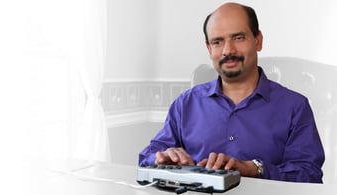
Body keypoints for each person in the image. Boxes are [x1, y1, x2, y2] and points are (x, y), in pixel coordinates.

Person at [138, 2, 325, 183]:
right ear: (209, 49)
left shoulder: (295, 107)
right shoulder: (185, 103)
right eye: (217, 42)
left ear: (258, 41)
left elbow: (310, 175)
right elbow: (149, 155)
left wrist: (255, 169)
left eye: (238, 38)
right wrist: (160, 158)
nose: (228, 50)